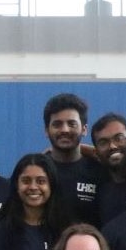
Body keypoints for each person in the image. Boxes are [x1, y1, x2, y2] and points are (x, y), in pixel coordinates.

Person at [42, 93, 106, 224]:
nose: (64, 130)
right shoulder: (36, 171)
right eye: (57, 124)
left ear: (84, 129)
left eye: (72, 124)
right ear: (46, 130)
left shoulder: (101, 172)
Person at [90, 112, 126, 224]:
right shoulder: (97, 190)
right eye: (103, 143)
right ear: (96, 152)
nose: (112, 146)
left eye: (119, 138)